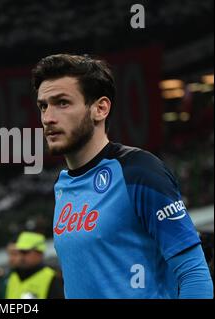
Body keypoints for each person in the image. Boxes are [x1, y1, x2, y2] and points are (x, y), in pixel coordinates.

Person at [32, 53, 213, 298]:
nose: (48, 118)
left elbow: (193, 272)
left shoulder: (139, 171)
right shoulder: (63, 185)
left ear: (100, 108)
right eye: (43, 106)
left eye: (62, 103)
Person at [5, 232, 63, 299]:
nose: (21, 257)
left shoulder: (53, 277)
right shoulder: (13, 276)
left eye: (25, 252)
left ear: (39, 253)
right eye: (19, 252)